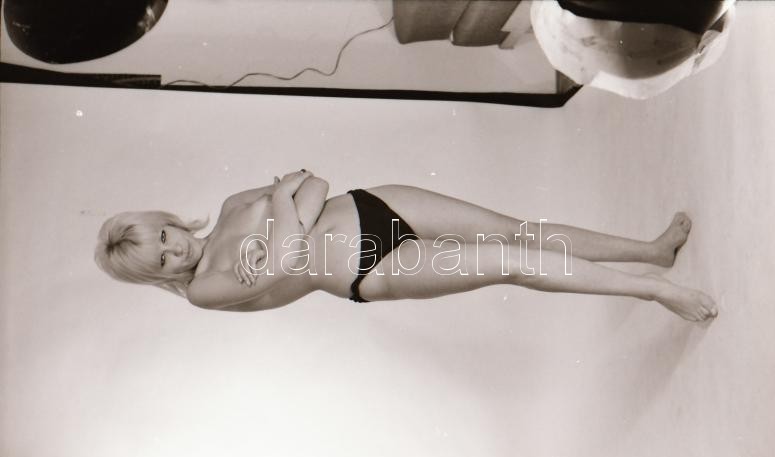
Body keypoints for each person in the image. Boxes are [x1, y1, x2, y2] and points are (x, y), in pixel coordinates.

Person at [95, 170, 718, 321]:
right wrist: (284, 215)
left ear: (167, 221)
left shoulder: (234, 206)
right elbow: (289, 258)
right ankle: (653, 291)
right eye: (161, 260)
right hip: (374, 266)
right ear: (155, 274)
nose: (177, 251)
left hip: (374, 203)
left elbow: (314, 182)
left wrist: (282, 216)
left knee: (519, 230)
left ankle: (650, 250)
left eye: (165, 236)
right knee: (510, 263)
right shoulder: (203, 292)